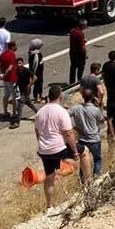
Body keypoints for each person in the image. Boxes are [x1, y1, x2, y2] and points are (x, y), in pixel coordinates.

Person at [34, 84, 79, 213]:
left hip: (44, 150)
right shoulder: (61, 111)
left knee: (49, 176)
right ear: (60, 96)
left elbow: (37, 131)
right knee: (84, 152)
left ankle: (49, 206)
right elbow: (69, 134)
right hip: (59, 148)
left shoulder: (40, 112)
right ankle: (86, 185)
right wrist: (75, 151)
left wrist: (41, 144)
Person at [71, 83, 107, 180]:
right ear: (93, 97)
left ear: (83, 96)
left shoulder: (76, 108)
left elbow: (65, 116)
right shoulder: (95, 110)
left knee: (83, 161)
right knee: (97, 160)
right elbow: (102, 120)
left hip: (82, 140)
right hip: (94, 140)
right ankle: (97, 179)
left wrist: (74, 127)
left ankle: (84, 181)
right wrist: (100, 106)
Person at [0, 40, 20, 127]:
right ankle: (14, 113)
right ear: (13, 46)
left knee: (6, 95)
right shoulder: (12, 55)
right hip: (12, 79)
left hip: (6, 80)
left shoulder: (3, 54)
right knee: (14, 97)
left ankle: (5, 111)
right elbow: (10, 67)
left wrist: (1, 74)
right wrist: (4, 74)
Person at [14, 56, 38, 122]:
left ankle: (17, 121)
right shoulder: (17, 70)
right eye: (17, 63)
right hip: (20, 89)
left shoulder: (26, 70)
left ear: (22, 63)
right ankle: (39, 113)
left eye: (20, 63)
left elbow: (35, 78)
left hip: (26, 90)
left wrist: (29, 85)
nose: (19, 65)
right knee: (29, 103)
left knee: (20, 104)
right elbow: (18, 80)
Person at [69, 19, 87, 86]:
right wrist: (85, 55)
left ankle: (72, 82)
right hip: (79, 53)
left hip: (72, 52)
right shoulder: (80, 33)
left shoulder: (72, 31)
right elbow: (82, 47)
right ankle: (79, 81)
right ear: (82, 25)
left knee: (73, 67)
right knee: (81, 67)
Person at [28, 38, 46, 103]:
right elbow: (35, 64)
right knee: (37, 84)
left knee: (40, 83)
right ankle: (36, 97)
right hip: (37, 72)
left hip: (39, 72)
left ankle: (40, 95)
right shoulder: (35, 54)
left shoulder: (34, 52)